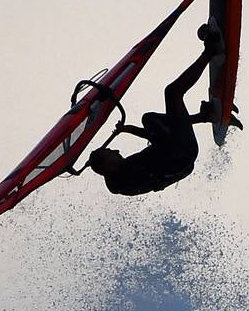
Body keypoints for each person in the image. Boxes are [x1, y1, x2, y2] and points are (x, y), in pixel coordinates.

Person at [88, 22, 240, 195]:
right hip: (180, 154)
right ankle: (211, 51)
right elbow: (159, 145)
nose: (116, 150)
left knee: (153, 118)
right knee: (170, 95)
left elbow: (160, 141)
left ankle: (206, 116)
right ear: (107, 165)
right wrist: (138, 131)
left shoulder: (121, 171)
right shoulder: (121, 181)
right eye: (110, 153)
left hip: (178, 152)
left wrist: (131, 130)